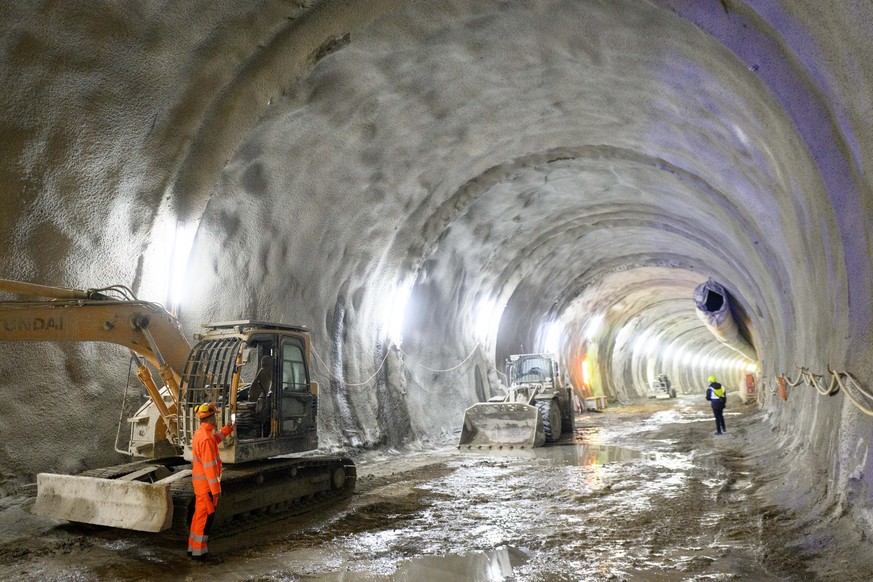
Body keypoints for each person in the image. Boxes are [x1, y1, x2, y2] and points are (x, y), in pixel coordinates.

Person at [188, 402, 234, 562]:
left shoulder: (201, 434)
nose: (217, 418)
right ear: (211, 417)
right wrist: (216, 490)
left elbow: (214, 440)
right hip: (207, 487)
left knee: (198, 516)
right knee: (204, 519)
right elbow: (210, 467)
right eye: (215, 415)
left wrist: (227, 429)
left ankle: (192, 548)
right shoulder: (206, 439)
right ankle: (199, 553)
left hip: (200, 485)